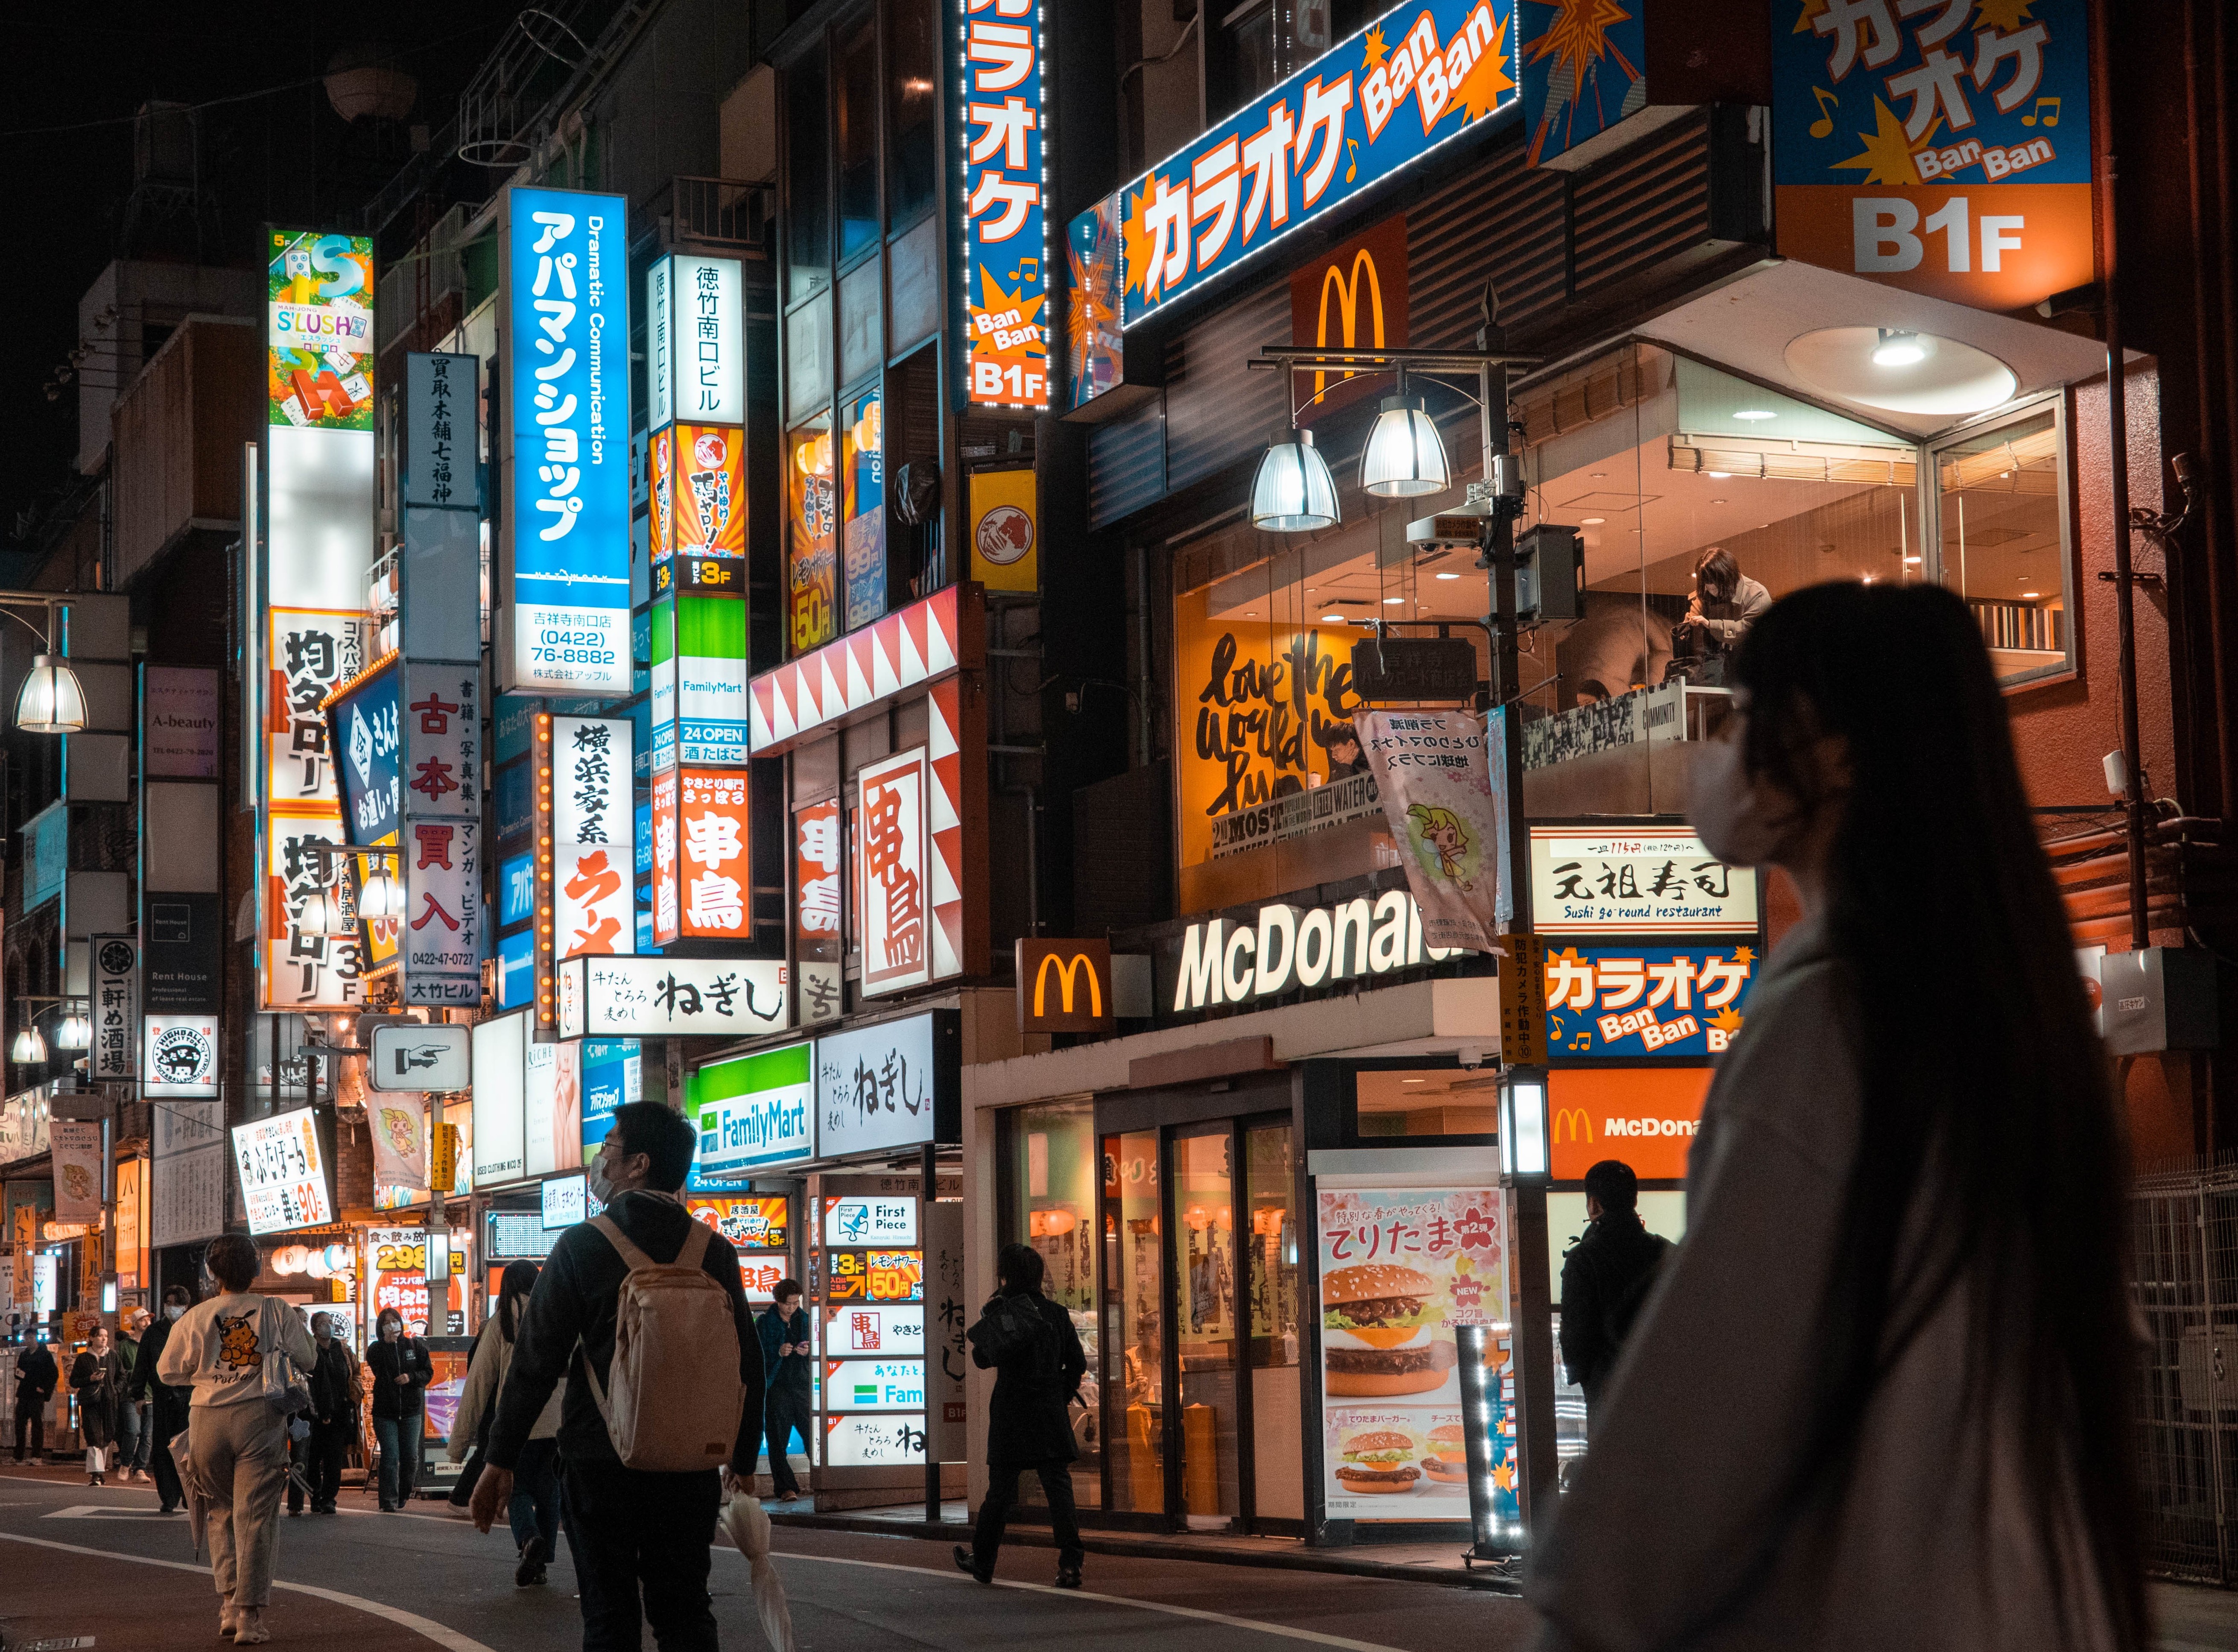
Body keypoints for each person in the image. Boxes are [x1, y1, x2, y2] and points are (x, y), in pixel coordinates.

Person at [1525, 583, 2146, 1651]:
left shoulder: (1830, 1020)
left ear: (1838, 752)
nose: (1721, 749)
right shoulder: (2011, 1024)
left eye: (1746, 713)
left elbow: (1700, 1406)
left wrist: (1581, 1606)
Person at [472, 1102, 765, 1652]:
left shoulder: (582, 1245)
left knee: (609, 1616)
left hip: (599, 1459)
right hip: (689, 1466)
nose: (601, 1158)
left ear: (639, 1163)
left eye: (609, 1146)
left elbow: (535, 1361)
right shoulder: (714, 1251)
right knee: (685, 1612)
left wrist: (500, 1459)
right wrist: (743, 1461)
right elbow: (749, 1363)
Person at [157, 1232, 315, 1646]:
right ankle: (249, 1616)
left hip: (206, 1418)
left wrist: (206, 1374)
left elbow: (167, 1370)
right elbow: (309, 1357)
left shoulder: (197, 1315)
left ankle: (229, 1604)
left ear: (213, 1273)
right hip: (259, 1417)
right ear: (257, 1268)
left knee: (221, 1511)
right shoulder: (276, 1309)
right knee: (256, 1516)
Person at [955, 1243, 1087, 1590]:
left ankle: (983, 1561)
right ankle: (1071, 1564)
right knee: (1058, 1487)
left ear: (1006, 1275)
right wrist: (1059, 1392)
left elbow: (982, 1358)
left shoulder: (1004, 1312)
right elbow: (1077, 1363)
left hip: (1012, 1411)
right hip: (1049, 1411)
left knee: (1000, 1491)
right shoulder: (1057, 1314)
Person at [449, 1262, 564, 1584]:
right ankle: (541, 1564)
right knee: (550, 1493)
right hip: (558, 1426)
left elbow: (478, 1383)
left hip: (519, 1423)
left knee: (517, 1489)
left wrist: (458, 1445)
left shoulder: (501, 1322)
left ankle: (529, 1540)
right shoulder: (558, 1316)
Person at [1557, 1160, 1670, 1429]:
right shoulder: (1667, 1252)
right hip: (1665, 1386)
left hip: (1607, 1387)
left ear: (1594, 1204)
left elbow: (1576, 1332)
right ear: (1634, 1200)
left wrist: (1586, 1377)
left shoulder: (1583, 1259)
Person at [130, 1285, 195, 1512]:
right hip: (162, 1396)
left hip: (190, 1395)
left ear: (185, 1306)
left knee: (190, 1448)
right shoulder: (154, 1332)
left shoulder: (194, 1328)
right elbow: (142, 1364)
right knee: (164, 1447)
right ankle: (169, 1497)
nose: (171, 1308)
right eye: (168, 1303)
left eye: (175, 1304)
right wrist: (138, 1395)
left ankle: (190, 1495)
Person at [1670, 546, 1772, 684]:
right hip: (1711, 675)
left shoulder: (1757, 595)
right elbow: (1693, 639)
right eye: (1706, 584)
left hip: (1750, 673)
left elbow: (1750, 633)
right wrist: (1688, 629)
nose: (1710, 589)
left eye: (1715, 584)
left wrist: (1711, 625)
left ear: (1728, 577)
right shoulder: (1704, 596)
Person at [366, 1307, 432, 1511]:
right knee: (390, 1456)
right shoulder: (376, 1349)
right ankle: (388, 1501)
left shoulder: (415, 1345)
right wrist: (388, 1345)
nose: (391, 1325)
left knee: (411, 1457)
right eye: (386, 1323)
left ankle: (403, 1494)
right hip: (385, 1412)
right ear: (381, 1327)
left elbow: (428, 1372)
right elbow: (379, 1370)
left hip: (411, 1411)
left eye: (394, 1321)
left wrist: (411, 1377)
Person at [290, 1313, 356, 1516]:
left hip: (339, 1412)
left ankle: (329, 1499)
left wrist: (354, 1396)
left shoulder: (342, 1349)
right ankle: (315, 1495)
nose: (329, 1326)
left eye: (330, 1322)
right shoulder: (310, 1350)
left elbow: (355, 1373)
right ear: (314, 1329)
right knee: (313, 1457)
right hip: (314, 1413)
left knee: (334, 1458)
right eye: (323, 1324)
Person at [757, 1279, 813, 1502]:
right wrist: (778, 1352)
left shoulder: (806, 1320)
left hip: (801, 1384)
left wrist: (808, 1351)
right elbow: (757, 1353)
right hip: (777, 1387)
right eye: (788, 1304)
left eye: (796, 1303)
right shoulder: (765, 1323)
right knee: (778, 1439)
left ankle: (823, 1480)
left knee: (812, 1435)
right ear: (778, 1302)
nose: (792, 1308)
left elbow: (820, 1346)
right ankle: (785, 1488)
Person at [71, 1325, 125, 1485]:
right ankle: (96, 1474)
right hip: (91, 1401)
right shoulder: (83, 1358)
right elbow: (73, 1381)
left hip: (109, 1400)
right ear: (92, 1338)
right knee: (93, 1435)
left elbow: (122, 1376)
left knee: (108, 1436)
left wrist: (115, 1390)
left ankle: (99, 1473)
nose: (104, 1339)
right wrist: (90, 1379)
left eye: (106, 1336)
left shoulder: (113, 1356)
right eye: (101, 1336)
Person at [117, 1309, 152, 1483]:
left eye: (148, 1320)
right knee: (133, 1430)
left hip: (151, 1394)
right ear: (135, 1323)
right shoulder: (125, 1345)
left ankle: (140, 1470)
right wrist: (136, 1373)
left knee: (147, 1435)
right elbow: (119, 1371)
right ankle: (125, 1463)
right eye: (143, 1320)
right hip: (130, 1395)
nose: (147, 1323)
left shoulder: (152, 1343)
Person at [12, 1334, 56, 1464]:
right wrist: (17, 1373)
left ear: (36, 1338)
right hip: (24, 1393)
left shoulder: (45, 1355)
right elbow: (20, 1373)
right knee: (20, 1424)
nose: (28, 1341)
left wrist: (44, 1388)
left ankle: (37, 1455)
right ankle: (19, 1455)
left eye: (31, 1338)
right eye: (26, 1339)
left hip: (36, 1394)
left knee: (37, 1425)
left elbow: (54, 1374)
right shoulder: (24, 1354)